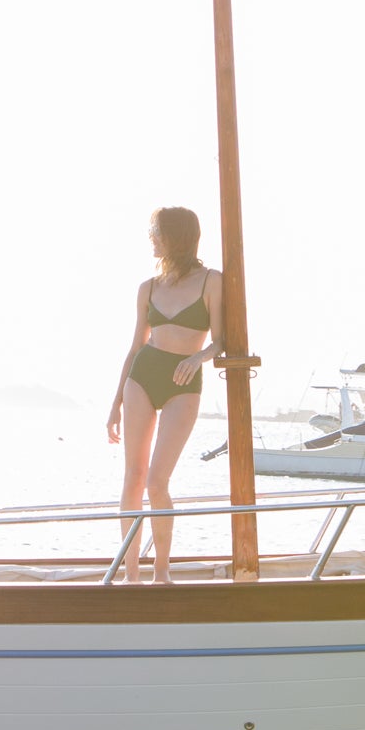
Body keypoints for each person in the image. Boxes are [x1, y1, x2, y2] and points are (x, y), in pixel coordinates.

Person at [107, 206, 227, 584]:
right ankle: (131, 575)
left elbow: (221, 340)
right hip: (142, 377)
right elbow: (134, 347)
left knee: (157, 482)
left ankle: (162, 571)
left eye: (156, 233)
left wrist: (199, 357)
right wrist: (115, 404)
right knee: (133, 477)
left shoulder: (211, 281)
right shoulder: (148, 287)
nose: (151, 239)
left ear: (176, 237)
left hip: (184, 382)